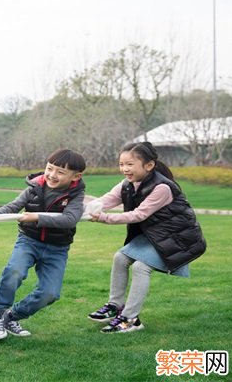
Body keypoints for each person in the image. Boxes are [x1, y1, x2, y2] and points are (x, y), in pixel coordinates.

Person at [87, 142, 206, 333]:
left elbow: (139, 215)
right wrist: (89, 207)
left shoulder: (162, 188)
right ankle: (115, 306)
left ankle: (130, 319)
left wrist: (104, 218)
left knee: (141, 267)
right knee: (120, 258)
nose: (124, 169)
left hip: (177, 239)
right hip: (155, 235)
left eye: (130, 164)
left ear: (149, 165)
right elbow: (108, 198)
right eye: (121, 164)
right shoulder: (128, 184)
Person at [0, 149, 86, 341]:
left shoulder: (76, 195)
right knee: (14, 272)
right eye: (50, 168)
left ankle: (11, 317)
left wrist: (36, 217)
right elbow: (12, 207)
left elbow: (70, 219)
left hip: (57, 249)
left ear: (75, 176)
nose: (52, 175)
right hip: (28, 241)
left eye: (60, 172)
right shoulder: (34, 188)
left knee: (50, 293)